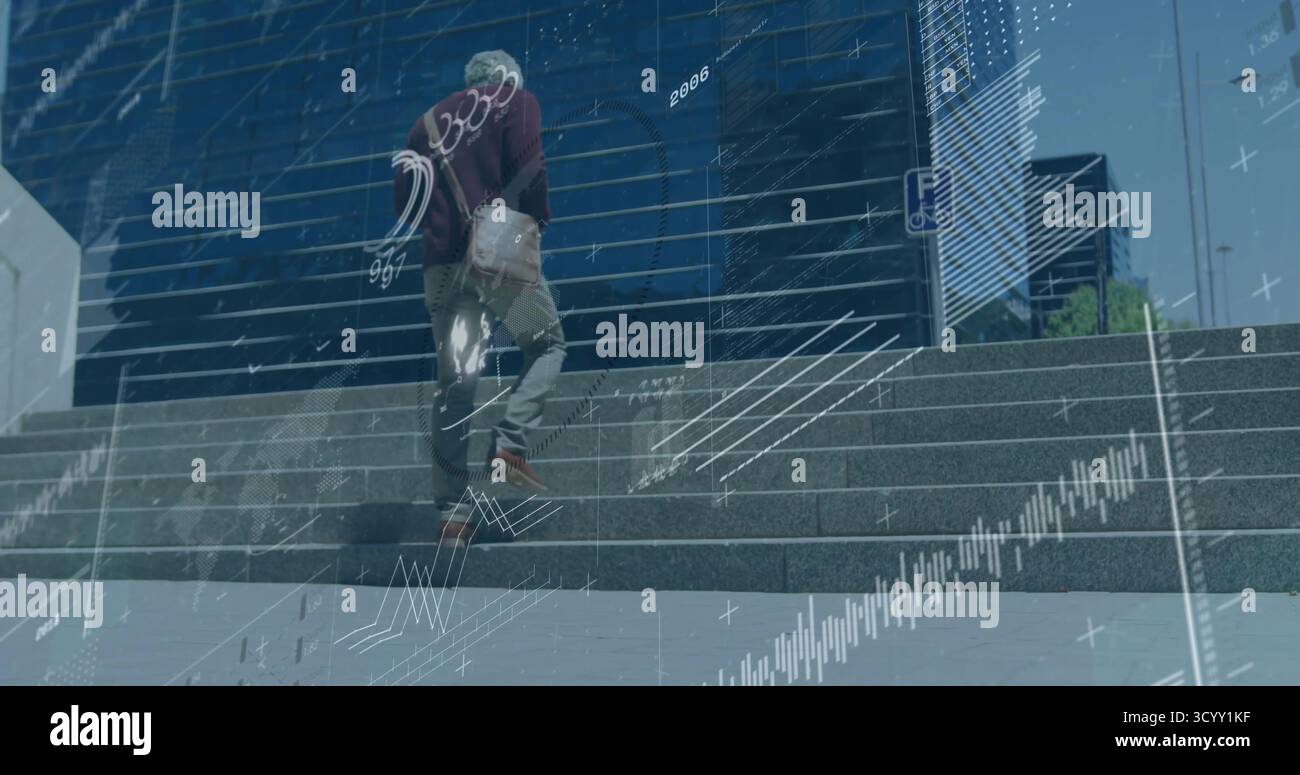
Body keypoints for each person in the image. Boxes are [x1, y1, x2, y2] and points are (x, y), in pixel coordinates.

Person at [395, 50, 565, 547]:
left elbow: (404, 202)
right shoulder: (515, 101)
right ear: (508, 77)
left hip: (442, 269)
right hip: (500, 252)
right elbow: (530, 168)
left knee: (455, 386)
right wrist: (534, 223)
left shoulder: (423, 125)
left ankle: (452, 515)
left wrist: (444, 230)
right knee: (547, 345)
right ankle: (507, 444)